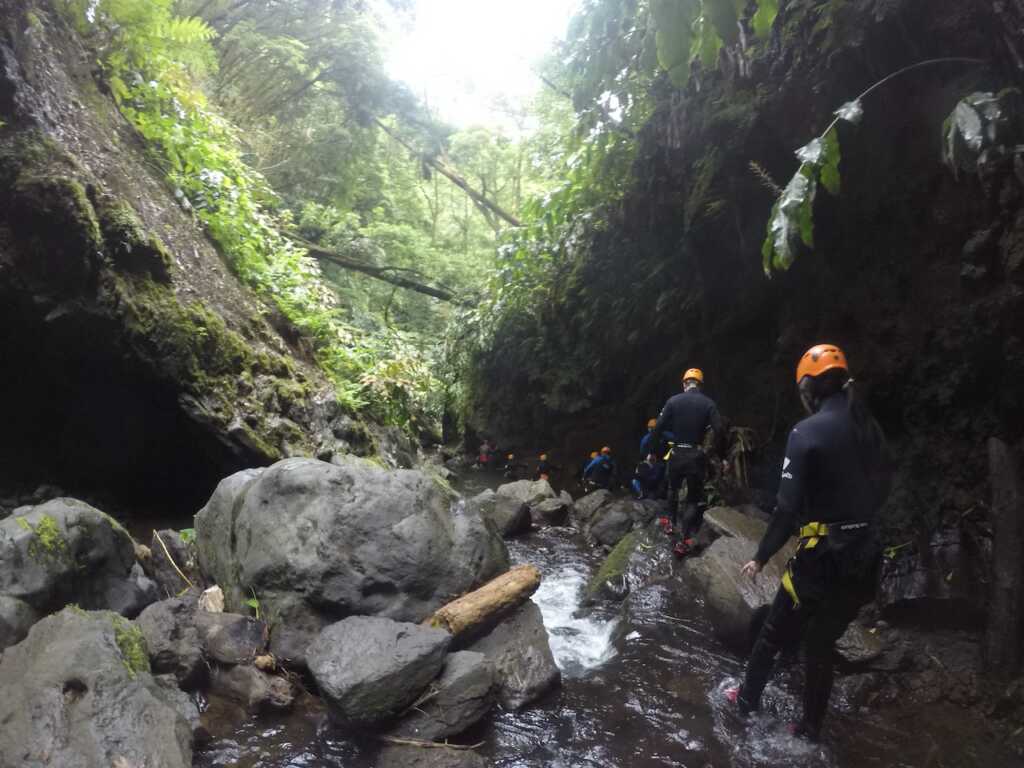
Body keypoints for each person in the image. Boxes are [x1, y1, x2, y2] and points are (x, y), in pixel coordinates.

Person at [727, 344, 892, 741]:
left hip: (822, 559)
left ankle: (744, 702)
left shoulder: (806, 432)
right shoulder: (870, 427)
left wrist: (762, 555)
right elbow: (884, 486)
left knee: (773, 632)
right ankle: (810, 729)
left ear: (807, 388)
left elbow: (785, 509)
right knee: (820, 644)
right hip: (865, 555)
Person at [652, 368, 725, 555]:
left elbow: (657, 428)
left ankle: (669, 522)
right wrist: (721, 455)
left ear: (685, 384)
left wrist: (655, 451)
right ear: (699, 385)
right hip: (696, 455)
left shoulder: (673, 401)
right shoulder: (708, 403)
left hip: (677, 453)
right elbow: (720, 430)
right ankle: (683, 540)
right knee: (692, 499)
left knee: (673, 489)